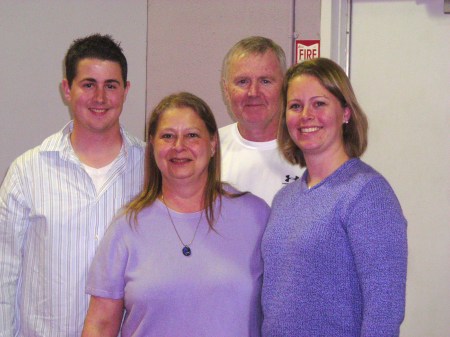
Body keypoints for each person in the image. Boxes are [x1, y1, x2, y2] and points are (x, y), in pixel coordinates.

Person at [81, 92, 270, 337]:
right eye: (167, 136)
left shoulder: (255, 216)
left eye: (192, 135)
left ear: (213, 144)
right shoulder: (127, 227)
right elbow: (100, 325)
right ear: (152, 147)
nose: (179, 146)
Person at [0, 34, 145, 336]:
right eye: (88, 84)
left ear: (126, 90)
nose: (100, 98)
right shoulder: (27, 172)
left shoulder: (152, 170)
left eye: (111, 86)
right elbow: (4, 274)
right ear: (67, 88)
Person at [261, 58, 408, 336]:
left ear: (345, 113)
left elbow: (385, 310)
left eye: (319, 103)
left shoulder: (367, 193)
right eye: (295, 106)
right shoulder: (285, 198)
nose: (306, 115)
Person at [220, 36, 304, 205]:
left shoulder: (311, 153)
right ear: (226, 89)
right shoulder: (207, 151)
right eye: (242, 82)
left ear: (285, 86)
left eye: (265, 81)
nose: (253, 92)